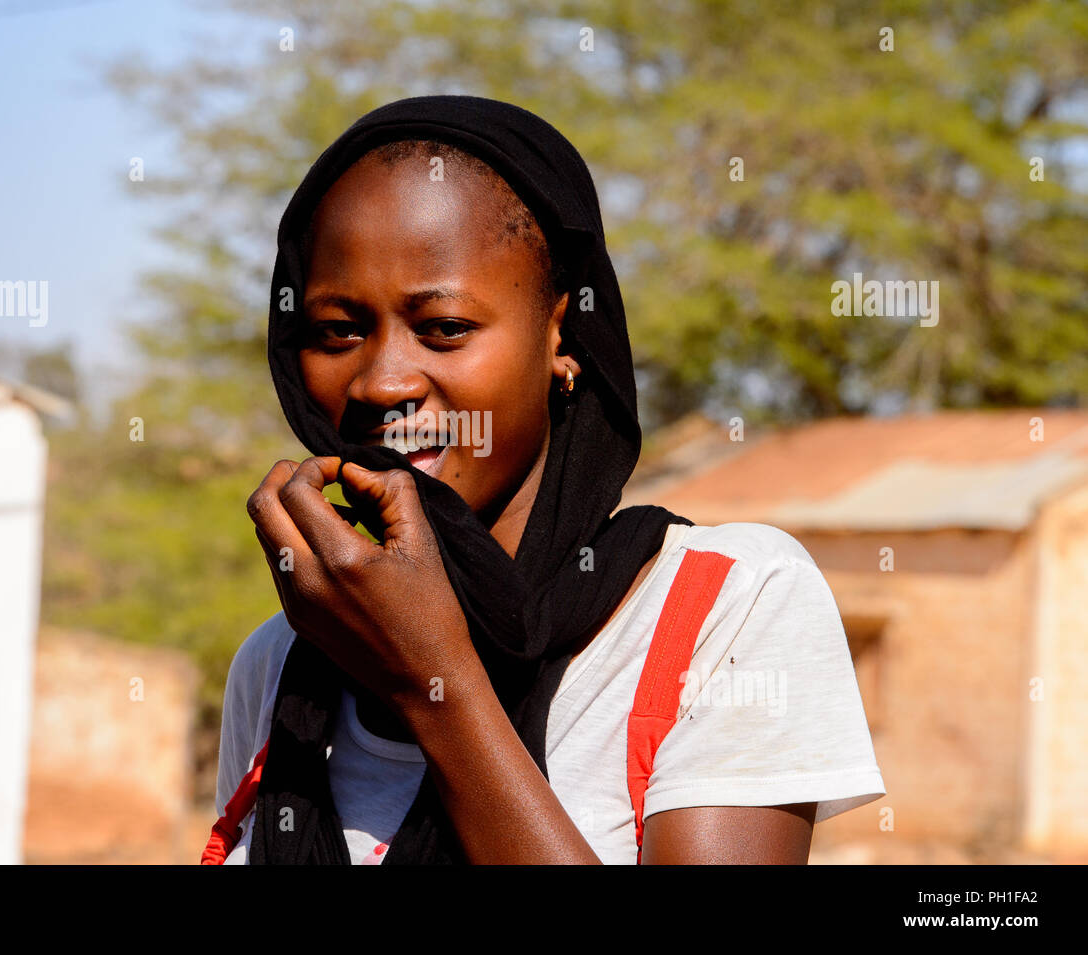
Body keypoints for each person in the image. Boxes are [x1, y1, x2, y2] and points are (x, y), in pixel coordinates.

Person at [204, 95, 885, 865]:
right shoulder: (282, 665)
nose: (382, 381)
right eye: (338, 331)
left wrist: (434, 683)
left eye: (445, 328)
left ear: (562, 334)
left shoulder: (721, 609)